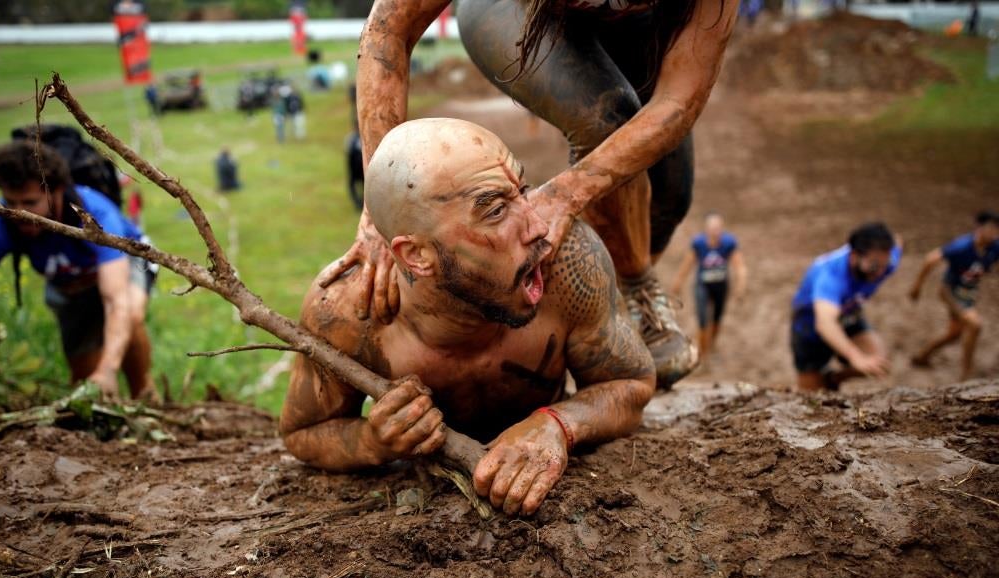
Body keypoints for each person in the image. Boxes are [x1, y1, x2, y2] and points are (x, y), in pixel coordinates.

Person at [318, 0, 739, 390]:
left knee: (668, 200)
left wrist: (567, 194)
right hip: (512, 8)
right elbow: (387, 30)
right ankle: (630, 290)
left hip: (648, 28)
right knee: (606, 120)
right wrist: (381, 210)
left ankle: (621, 291)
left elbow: (678, 102)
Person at [281, 119, 655, 516]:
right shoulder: (347, 310)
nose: (539, 226)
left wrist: (557, 424)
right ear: (416, 255)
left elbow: (631, 383)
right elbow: (303, 432)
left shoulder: (566, 261)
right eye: (495, 211)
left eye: (522, 191)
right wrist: (372, 442)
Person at [0, 141, 156, 399]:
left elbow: (117, 301)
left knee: (131, 315)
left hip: (127, 260)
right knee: (85, 378)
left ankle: (144, 394)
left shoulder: (96, 213)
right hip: (71, 283)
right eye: (10, 202)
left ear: (58, 190)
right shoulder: (1, 225)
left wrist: (108, 369)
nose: (18, 213)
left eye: (30, 202)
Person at [790, 223, 902, 391]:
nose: (880, 272)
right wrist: (855, 357)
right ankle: (819, 378)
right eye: (874, 266)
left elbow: (898, 241)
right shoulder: (830, 275)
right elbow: (825, 323)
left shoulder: (889, 258)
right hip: (809, 325)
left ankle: (834, 378)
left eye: (884, 266)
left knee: (878, 362)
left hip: (848, 313)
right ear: (854, 256)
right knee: (809, 394)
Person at [909, 210, 999, 381]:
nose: (995, 233)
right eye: (992, 228)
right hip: (950, 293)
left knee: (954, 334)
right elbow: (930, 259)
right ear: (979, 228)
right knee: (975, 325)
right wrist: (917, 287)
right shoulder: (962, 247)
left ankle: (922, 356)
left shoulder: (994, 247)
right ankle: (967, 374)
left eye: (997, 230)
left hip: (968, 293)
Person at [670, 211, 747, 360]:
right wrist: (678, 283)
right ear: (706, 229)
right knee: (703, 319)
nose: (715, 232)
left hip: (721, 287)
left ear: (722, 228)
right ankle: (703, 352)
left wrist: (741, 286)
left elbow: (739, 266)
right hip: (702, 286)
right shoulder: (699, 244)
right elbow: (687, 264)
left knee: (717, 319)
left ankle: (712, 344)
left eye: (717, 228)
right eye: (712, 228)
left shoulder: (728, 243)